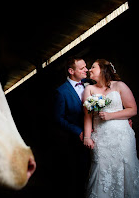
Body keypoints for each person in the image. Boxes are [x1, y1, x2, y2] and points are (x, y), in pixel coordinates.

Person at [83, 59, 139, 197]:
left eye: (93, 67)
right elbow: (87, 116)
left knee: (126, 166)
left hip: (122, 136)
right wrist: (87, 137)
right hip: (101, 138)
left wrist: (110, 116)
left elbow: (132, 110)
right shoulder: (89, 89)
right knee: (102, 168)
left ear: (102, 69)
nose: (89, 69)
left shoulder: (119, 86)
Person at [54, 56, 91, 197]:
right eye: (82, 68)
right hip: (77, 141)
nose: (86, 70)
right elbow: (58, 118)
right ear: (71, 71)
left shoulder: (90, 83)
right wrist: (78, 132)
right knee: (81, 175)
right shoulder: (61, 91)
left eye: (86, 67)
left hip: (98, 135)